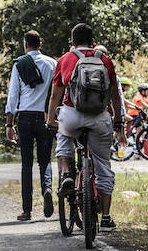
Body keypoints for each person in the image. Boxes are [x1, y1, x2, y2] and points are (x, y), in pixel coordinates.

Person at [45, 23, 124, 231]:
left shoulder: (65, 59)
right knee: (103, 166)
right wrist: (117, 122)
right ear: (93, 41)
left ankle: (67, 175)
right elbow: (115, 95)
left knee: (64, 145)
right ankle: (106, 218)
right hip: (99, 117)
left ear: (72, 42)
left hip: (72, 115)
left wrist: (51, 119)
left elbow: (55, 95)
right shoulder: (105, 60)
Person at [4, 30, 57, 220]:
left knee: (26, 164)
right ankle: (47, 189)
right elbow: (57, 93)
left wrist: (9, 124)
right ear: (40, 45)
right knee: (45, 160)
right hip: (45, 117)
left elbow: (13, 97)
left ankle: (27, 210)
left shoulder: (20, 64)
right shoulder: (53, 64)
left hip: (25, 118)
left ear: (25, 45)